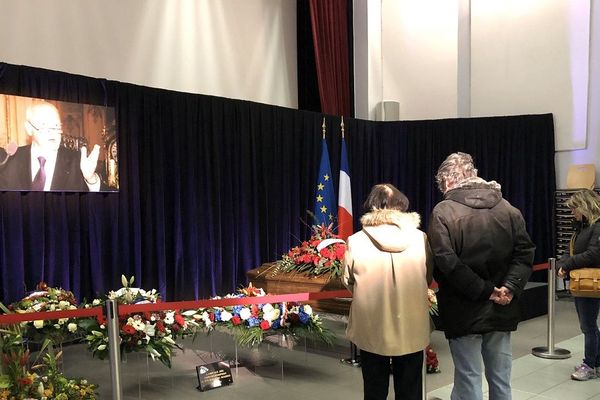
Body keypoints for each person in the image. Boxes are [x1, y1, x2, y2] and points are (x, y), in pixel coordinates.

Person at [427, 152, 535, 400]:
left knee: (468, 380)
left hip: (463, 310)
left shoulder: (443, 212)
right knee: (501, 380)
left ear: (447, 180)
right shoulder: (508, 208)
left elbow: (446, 263)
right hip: (502, 308)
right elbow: (525, 253)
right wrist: (508, 288)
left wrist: (485, 291)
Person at [343, 183, 433, 400]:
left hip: (372, 326)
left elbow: (348, 280)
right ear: (401, 206)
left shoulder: (356, 241)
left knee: (374, 388)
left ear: (372, 207)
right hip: (411, 325)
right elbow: (427, 277)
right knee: (411, 389)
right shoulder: (420, 238)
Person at [0, 101, 101, 191]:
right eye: (45, 125)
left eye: (57, 126)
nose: (53, 132)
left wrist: (91, 178)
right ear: (29, 128)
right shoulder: (9, 159)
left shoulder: (77, 160)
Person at [557, 189, 600, 381]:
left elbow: (593, 254)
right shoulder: (581, 228)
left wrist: (567, 264)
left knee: (588, 326)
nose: (573, 212)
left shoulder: (597, 227)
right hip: (583, 283)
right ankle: (595, 363)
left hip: (592, 282)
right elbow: (571, 250)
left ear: (585, 206)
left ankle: (589, 364)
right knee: (589, 325)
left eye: (575, 208)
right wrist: (562, 264)